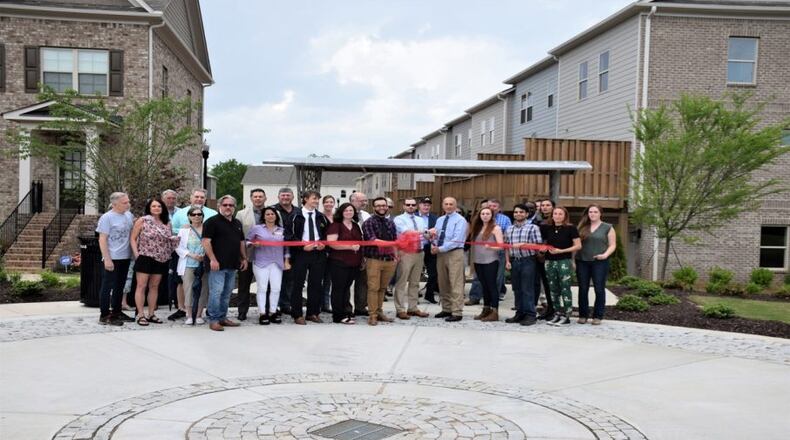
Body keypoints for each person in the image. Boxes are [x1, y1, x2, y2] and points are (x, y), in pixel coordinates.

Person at [168, 188, 217, 320]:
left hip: (205, 259)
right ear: (191, 198)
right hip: (187, 258)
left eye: (202, 197)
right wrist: (185, 228)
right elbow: (173, 231)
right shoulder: (180, 213)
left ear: (205, 199)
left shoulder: (213, 213)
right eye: (196, 196)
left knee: (204, 287)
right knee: (184, 285)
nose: (199, 199)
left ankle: (200, 313)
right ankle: (184, 310)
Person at [202, 195, 247, 331]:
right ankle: (214, 319)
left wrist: (244, 258)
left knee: (227, 292)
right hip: (217, 265)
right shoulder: (211, 222)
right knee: (216, 292)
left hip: (232, 264)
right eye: (225, 205)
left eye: (231, 205)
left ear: (234, 207)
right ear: (219, 206)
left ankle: (222, 317)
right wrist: (213, 259)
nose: (228, 207)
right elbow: (206, 242)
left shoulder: (237, 223)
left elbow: (241, 242)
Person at [130, 198, 178, 325]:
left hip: (161, 258)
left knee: (154, 286)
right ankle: (140, 314)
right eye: (154, 206)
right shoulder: (142, 220)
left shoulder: (167, 222)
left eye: (159, 206)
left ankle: (151, 313)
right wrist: (137, 255)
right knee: (141, 286)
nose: (157, 208)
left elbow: (168, 240)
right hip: (145, 257)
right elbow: (133, 238)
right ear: (149, 208)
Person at [288, 190, 329, 325]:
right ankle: (297, 314)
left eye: (318, 199)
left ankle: (313, 313)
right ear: (305, 199)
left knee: (316, 284)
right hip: (301, 254)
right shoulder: (295, 216)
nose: (316, 201)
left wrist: (324, 244)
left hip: (318, 254)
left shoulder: (321, 217)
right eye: (314, 198)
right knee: (298, 285)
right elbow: (289, 236)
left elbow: (326, 234)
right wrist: (301, 246)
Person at [96, 192, 135, 326]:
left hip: (125, 256)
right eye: (125, 203)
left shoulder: (129, 215)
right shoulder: (107, 218)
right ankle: (104, 315)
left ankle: (117, 312)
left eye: (128, 201)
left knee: (120, 286)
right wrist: (107, 259)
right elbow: (102, 239)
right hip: (112, 257)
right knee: (108, 286)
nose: (128, 204)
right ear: (114, 204)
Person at [247, 207, 290, 325]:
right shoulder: (257, 228)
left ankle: (272, 312)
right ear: (264, 216)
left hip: (277, 263)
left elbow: (286, 246)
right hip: (261, 262)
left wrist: (286, 261)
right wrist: (253, 244)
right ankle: (262, 313)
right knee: (262, 288)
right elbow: (247, 241)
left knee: (276, 289)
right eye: (267, 214)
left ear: (276, 216)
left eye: (272, 214)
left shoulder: (281, 230)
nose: (270, 216)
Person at [540, 206, 582, 326]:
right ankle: (557, 313)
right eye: (555, 214)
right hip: (549, 262)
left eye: (560, 214)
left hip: (564, 260)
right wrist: (543, 250)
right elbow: (544, 244)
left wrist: (561, 251)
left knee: (565, 288)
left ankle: (567, 315)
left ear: (565, 216)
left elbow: (578, 246)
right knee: (553, 289)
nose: (557, 216)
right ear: (552, 215)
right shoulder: (547, 228)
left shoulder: (571, 228)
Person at [576, 204, 616, 325]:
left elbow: (612, 245)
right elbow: (576, 245)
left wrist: (605, 255)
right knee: (583, 289)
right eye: (590, 212)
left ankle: (597, 316)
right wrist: (572, 260)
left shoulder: (608, 227)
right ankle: (583, 315)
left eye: (595, 212)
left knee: (599, 289)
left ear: (600, 213)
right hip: (582, 261)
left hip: (600, 262)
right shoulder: (582, 227)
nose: (592, 214)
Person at [504, 203, 543, 326]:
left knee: (527, 288)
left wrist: (523, 245)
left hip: (528, 260)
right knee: (517, 288)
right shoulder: (509, 228)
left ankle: (530, 314)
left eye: (521, 212)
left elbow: (539, 246)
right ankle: (519, 312)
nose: (518, 214)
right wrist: (507, 261)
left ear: (526, 214)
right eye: (516, 212)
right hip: (515, 260)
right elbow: (506, 246)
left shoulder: (533, 228)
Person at [431, 197, 468, 322]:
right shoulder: (440, 220)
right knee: (443, 282)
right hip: (441, 254)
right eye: (446, 204)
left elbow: (456, 239)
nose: (448, 206)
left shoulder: (460, 220)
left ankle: (457, 311)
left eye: (451, 204)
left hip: (454, 253)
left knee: (456, 282)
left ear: (455, 205)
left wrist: (439, 249)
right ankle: (446, 308)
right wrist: (433, 244)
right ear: (442, 205)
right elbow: (435, 235)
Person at [362, 197, 398, 326]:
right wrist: (392, 243)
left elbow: (395, 239)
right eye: (378, 206)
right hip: (374, 260)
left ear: (387, 207)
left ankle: (379, 311)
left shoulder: (390, 223)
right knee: (373, 288)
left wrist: (396, 255)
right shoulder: (368, 223)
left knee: (382, 288)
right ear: (374, 207)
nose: (381, 208)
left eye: (384, 205)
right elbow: (373, 240)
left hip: (389, 260)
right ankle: (372, 315)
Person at [393, 198, 430, 320]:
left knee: (415, 283)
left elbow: (425, 235)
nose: (410, 207)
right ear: (403, 206)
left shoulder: (420, 220)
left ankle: (413, 308)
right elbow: (407, 232)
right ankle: (400, 309)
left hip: (419, 253)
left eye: (413, 205)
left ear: (416, 206)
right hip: (405, 253)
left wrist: (431, 234)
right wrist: (425, 232)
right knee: (401, 282)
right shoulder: (399, 219)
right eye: (408, 205)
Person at [326, 203, 363, 324]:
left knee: (346, 289)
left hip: (354, 262)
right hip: (339, 262)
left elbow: (361, 243)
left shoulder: (356, 226)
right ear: (341, 212)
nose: (348, 212)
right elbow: (332, 243)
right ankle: (338, 315)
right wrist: (350, 247)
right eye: (346, 210)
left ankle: (346, 312)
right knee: (338, 289)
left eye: (351, 210)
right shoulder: (335, 225)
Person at [235, 188, 267, 321]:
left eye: (260, 196)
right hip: (247, 255)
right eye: (255, 196)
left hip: (267, 256)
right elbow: (237, 235)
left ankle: (265, 311)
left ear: (265, 198)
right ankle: (242, 311)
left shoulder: (272, 213)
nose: (258, 199)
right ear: (251, 198)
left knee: (265, 285)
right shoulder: (241, 214)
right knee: (243, 285)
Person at [468, 207, 504, 322]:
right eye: (483, 213)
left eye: (487, 213)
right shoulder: (477, 227)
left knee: (491, 285)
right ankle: (486, 309)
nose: (485, 215)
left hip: (491, 260)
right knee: (484, 286)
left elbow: (501, 246)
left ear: (492, 215)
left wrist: (491, 247)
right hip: (478, 261)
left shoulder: (496, 228)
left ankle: (495, 312)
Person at [175, 205, 209, 325]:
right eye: (193, 214)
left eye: (199, 214)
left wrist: (205, 255)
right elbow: (178, 247)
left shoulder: (207, 229)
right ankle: (189, 314)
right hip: (188, 263)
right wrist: (192, 255)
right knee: (188, 288)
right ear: (189, 216)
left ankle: (199, 314)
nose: (196, 216)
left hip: (204, 263)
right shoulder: (184, 230)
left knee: (204, 289)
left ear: (202, 216)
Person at [272, 187, 298, 315]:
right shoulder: (272, 210)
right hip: (275, 250)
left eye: (288, 195)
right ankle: (273, 305)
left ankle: (285, 304)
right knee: (275, 279)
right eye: (283, 195)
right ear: (278, 197)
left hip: (294, 250)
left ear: (292, 197)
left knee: (290, 279)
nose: (285, 198)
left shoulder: (298, 211)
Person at [161, 189, 185, 321]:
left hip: (178, 249)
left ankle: (178, 303)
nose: (171, 200)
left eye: (173, 198)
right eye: (168, 198)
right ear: (163, 199)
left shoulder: (181, 212)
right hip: (162, 250)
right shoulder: (158, 211)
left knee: (177, 277)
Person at [349, 191, 370, 315]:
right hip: (349, 252)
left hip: (364, 252)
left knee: (363, 282)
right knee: (347, 282)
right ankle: (346, 308)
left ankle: (361, 307)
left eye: (365, 200)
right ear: (353, 201)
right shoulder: (345, 213)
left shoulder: (366, 215)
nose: (365, 203)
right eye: (362, 201)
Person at [487, 199, 512, 301]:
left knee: (498, 276)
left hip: (499, 251)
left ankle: (495, 296)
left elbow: (507, 237)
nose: (492, 208)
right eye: (490, 206)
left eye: (494, 206)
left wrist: (507, 258)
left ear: (499, 208)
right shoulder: (482, 217)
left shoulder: (505, 219)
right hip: (484, 251)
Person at [535, 198, 556, 320]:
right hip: (539, 255)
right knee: (544, 284)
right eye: (543, 205)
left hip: (552, 256)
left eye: (548, 205)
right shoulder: (538, 220)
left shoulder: (555, 221)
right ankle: (548, 309)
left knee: (551, 285)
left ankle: (554, 310)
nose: (545, 207)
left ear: (553, 207)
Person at [466, 199, 489, 306]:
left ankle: (490, 300)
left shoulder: (496, 224)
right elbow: (471, 235)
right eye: (482, 208)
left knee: (492, 278)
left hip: (493, 254)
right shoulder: (476, 222)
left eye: (487, 208)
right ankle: (474, 297)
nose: (484, 211)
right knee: (477, 276)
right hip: (479, 252)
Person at [417, 197, 438, 304]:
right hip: (417, 248)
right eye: (424, 204)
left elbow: (437, 233)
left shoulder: (435, 218)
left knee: (433, 273)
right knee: (415, 273)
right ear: (419, 206)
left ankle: (429, 294)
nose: (426, 207)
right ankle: (414, 296)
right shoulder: (414, 217)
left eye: (428, 205)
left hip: (430, 248)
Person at [321, 194, 336, 313]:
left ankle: (327, 304)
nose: (329, 204)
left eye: (331, 202)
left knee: (329, 280)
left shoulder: (337, 218)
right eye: (326, 202)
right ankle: (321, 303)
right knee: (320, 279)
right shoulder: (319, 217)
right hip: (322, 251)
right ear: (323, 204)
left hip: (335, 252)